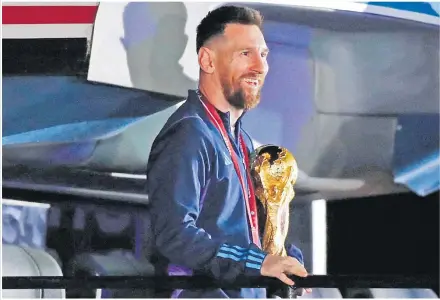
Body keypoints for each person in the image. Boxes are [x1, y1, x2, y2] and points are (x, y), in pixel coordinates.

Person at [146, 5, 309, 298]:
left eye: (264, 55)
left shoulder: (242, 141)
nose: (260, 66)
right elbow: (175, 235)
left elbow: (245, 238)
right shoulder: (190, 134)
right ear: (207, 60)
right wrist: (259, 263)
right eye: (245, 53)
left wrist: (282, 260)